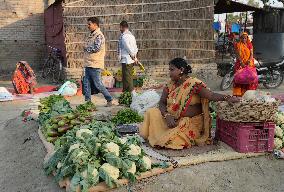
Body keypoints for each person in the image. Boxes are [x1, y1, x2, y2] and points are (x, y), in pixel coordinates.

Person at [139, 58, 240, 150]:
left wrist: (227, 98)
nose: (169, 73)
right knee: (151, 112)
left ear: (181, 70)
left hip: (189, 122)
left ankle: (161, 135)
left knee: (172, 141)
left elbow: (211, 95)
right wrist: (166, 115)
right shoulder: (170, 84)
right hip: (170, 119)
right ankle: (158, 133)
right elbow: (162, 102)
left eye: (172, 69)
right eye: (169, 69)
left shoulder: (193, 84)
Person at [83, 17, 113, 106]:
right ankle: (87, 102)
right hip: (89, 63)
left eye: (89, 24)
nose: (88, 26)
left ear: (95, 25)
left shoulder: (99, 35)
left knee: (98, 84)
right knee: (86, 83)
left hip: (95, 64)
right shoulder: (91, 35)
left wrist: (86, 48)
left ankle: (109, 99)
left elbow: (96, 48)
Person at [233, 32, 258, 97]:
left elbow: (251, 54)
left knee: (250, 78)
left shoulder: (249, 44)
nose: (244, 39)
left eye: (245, 38)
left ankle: (249, 94)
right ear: (240, 38)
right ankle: (238, 95)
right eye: (242, 38)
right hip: (240, 64)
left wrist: (249, 60)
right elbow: (237, 54)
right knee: (239, 79)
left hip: (249, 63)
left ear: (247, 38)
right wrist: (241, 62)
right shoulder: (238, 45)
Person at [117, 20, 138, 92]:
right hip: (130, 59)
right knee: (126, 77)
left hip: (126, 60)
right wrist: (135, 57)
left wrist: (133, 55)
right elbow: (135, 47)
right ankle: (125, 92)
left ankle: (131, 93)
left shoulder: (124, 36)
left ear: (122, 27)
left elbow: (127, 47)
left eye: (120, 28)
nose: (120, 29)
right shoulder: (132, 36)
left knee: (128, 78)